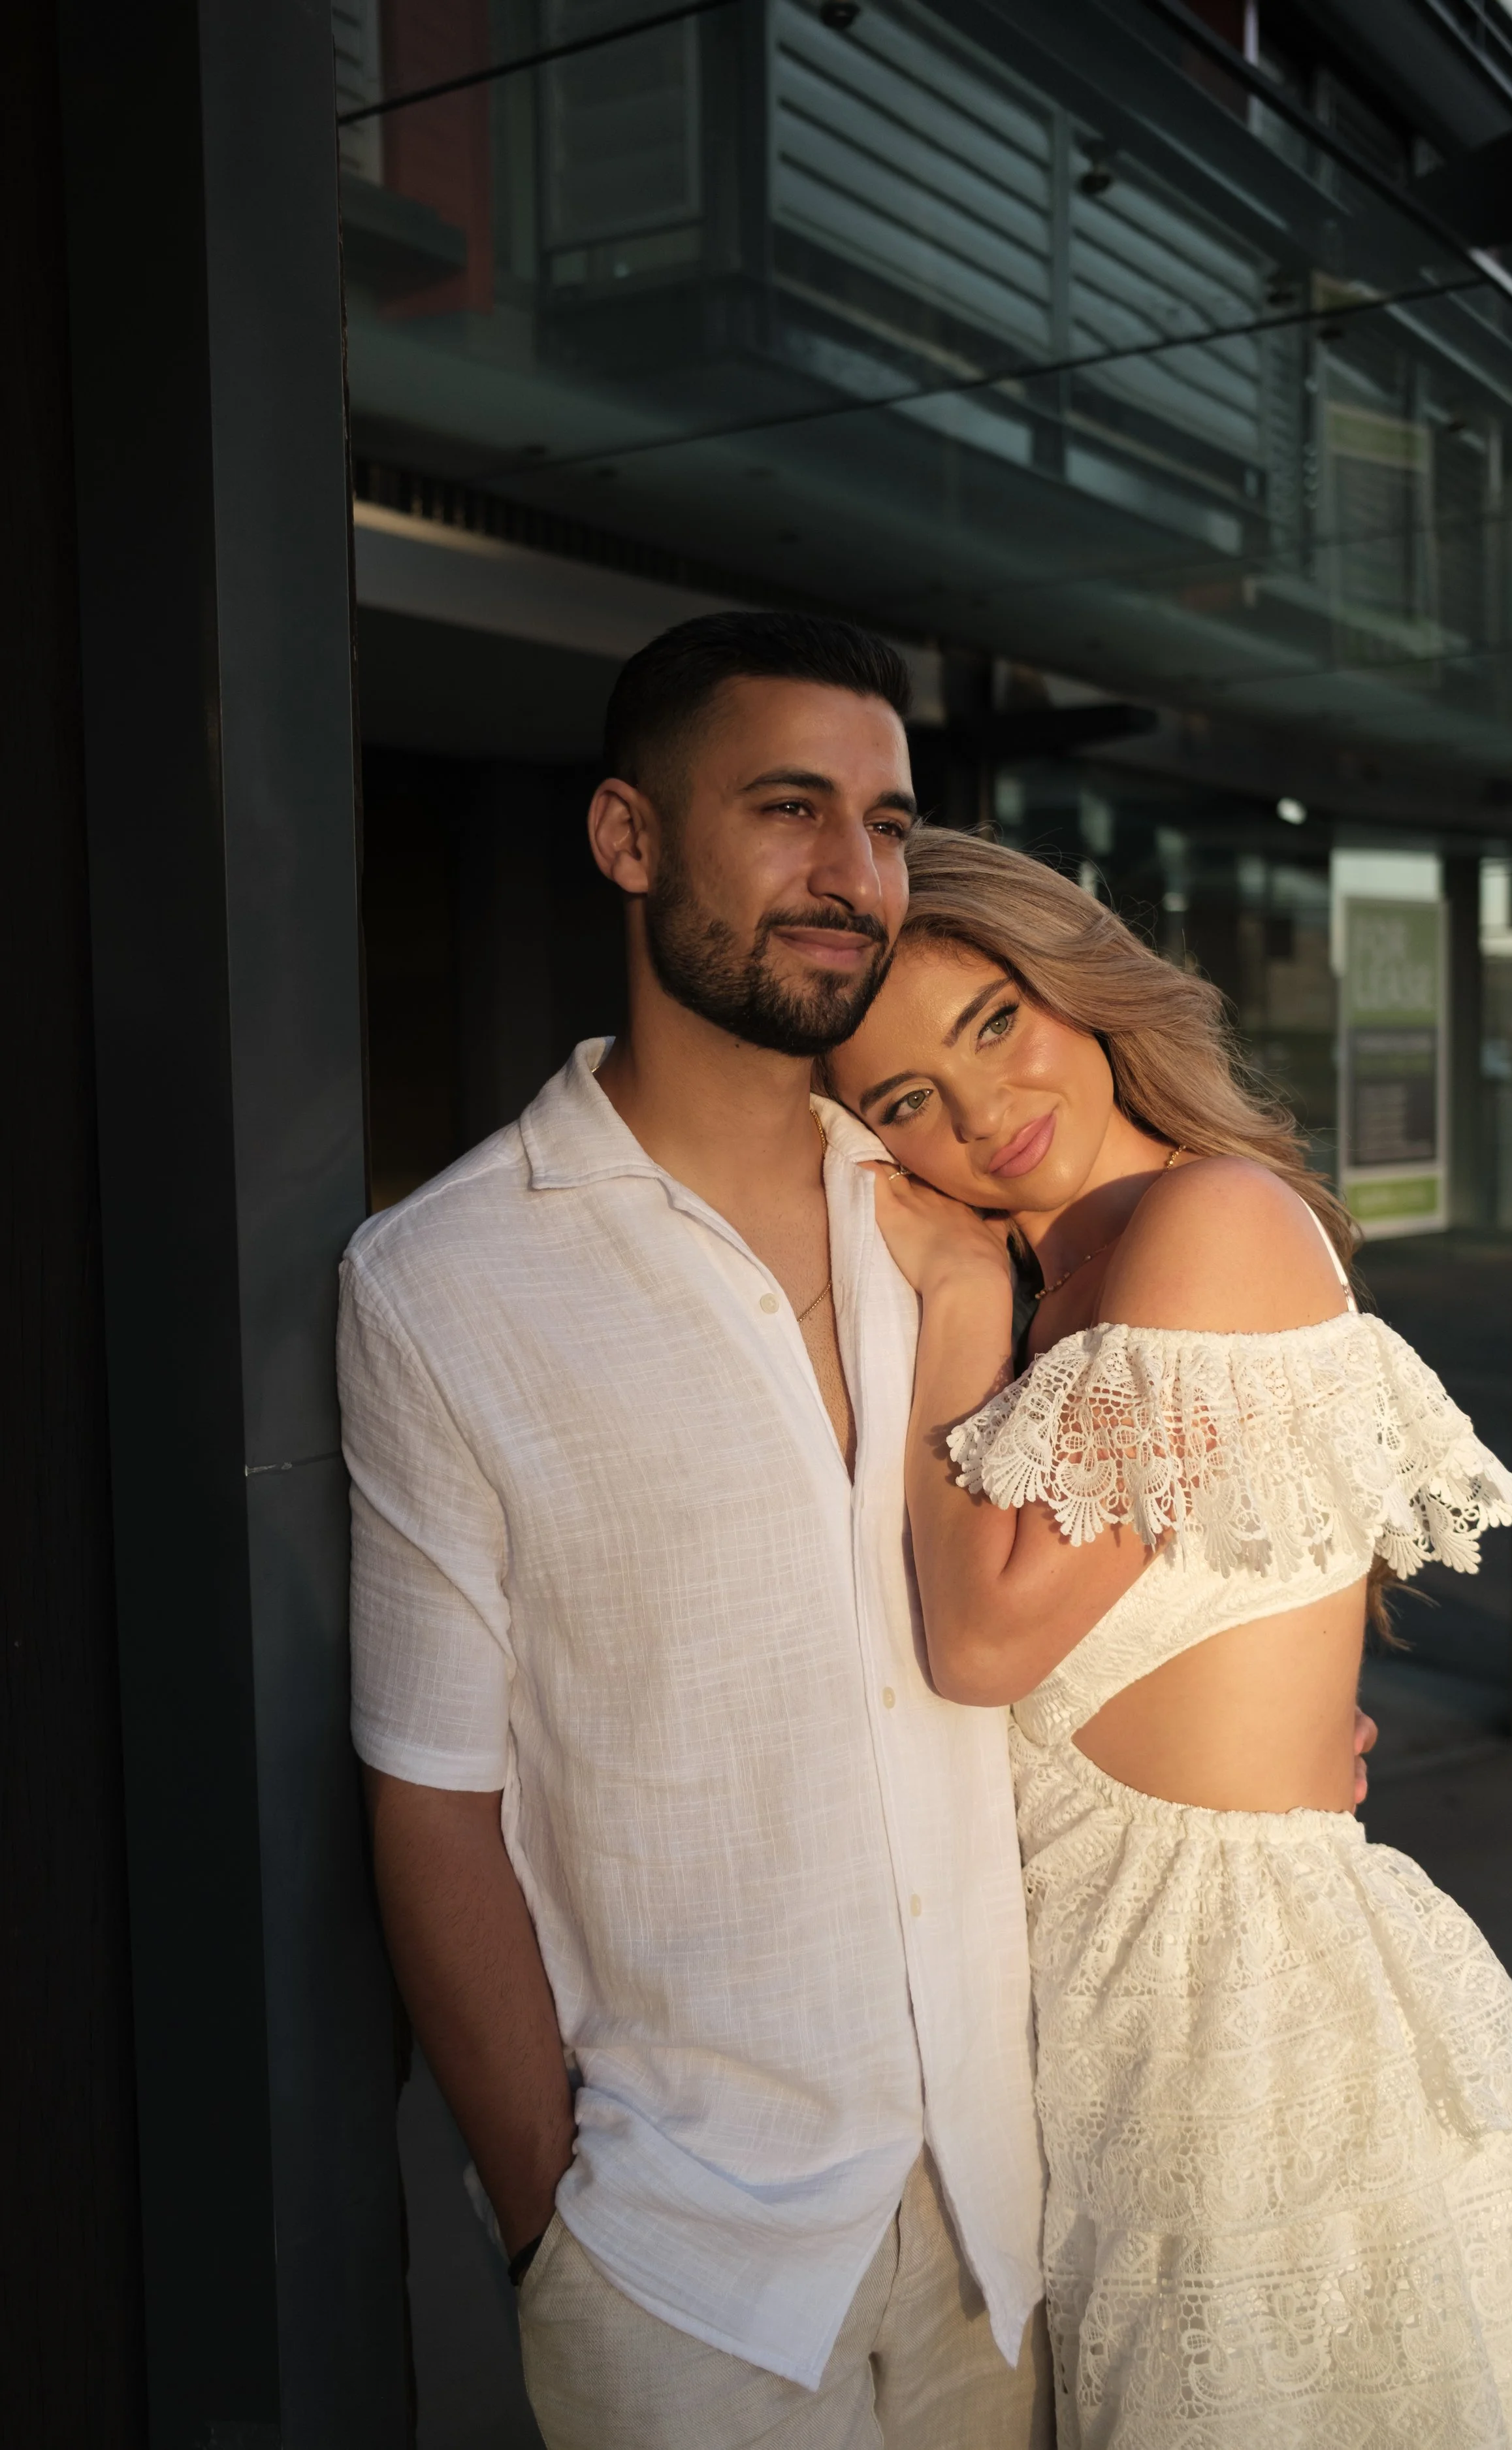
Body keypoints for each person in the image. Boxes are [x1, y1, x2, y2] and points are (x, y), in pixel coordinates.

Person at [337, 613, 1056, 2449]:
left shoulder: (958, 1210)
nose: (853, 876)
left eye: (887, 825)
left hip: (1005, 2203)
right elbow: (431, 1790)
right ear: (625, 838)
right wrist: (546, 2219)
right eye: (790, 809)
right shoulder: (443, 1279)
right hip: (687, 2261)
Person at [823, 825, 1512, 2450]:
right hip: (1105, 2007)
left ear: (1078, 985)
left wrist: (956, 1302)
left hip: (1235, 2018)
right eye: (904, 1099)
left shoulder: (1211, 1221)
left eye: (991, 1023)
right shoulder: (1068, 1277)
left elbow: (981, 1643)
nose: (979, 1116)